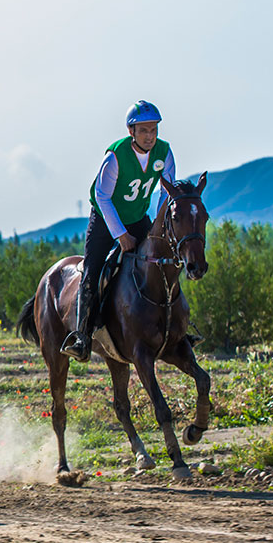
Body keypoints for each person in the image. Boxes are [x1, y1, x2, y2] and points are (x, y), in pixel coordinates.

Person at [61, 100, 177, 362]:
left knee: (163, 264)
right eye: (144, 130)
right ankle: (82, 337)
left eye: (154, 130)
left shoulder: (165, 153)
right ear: (131, 131)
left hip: (138, 218)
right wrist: (120, 235)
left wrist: (159, 226)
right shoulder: (115, 156)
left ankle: (176, 328)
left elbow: (165, 192)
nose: (150, 136)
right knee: (92, 272)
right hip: (105, 221)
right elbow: (103, 196)